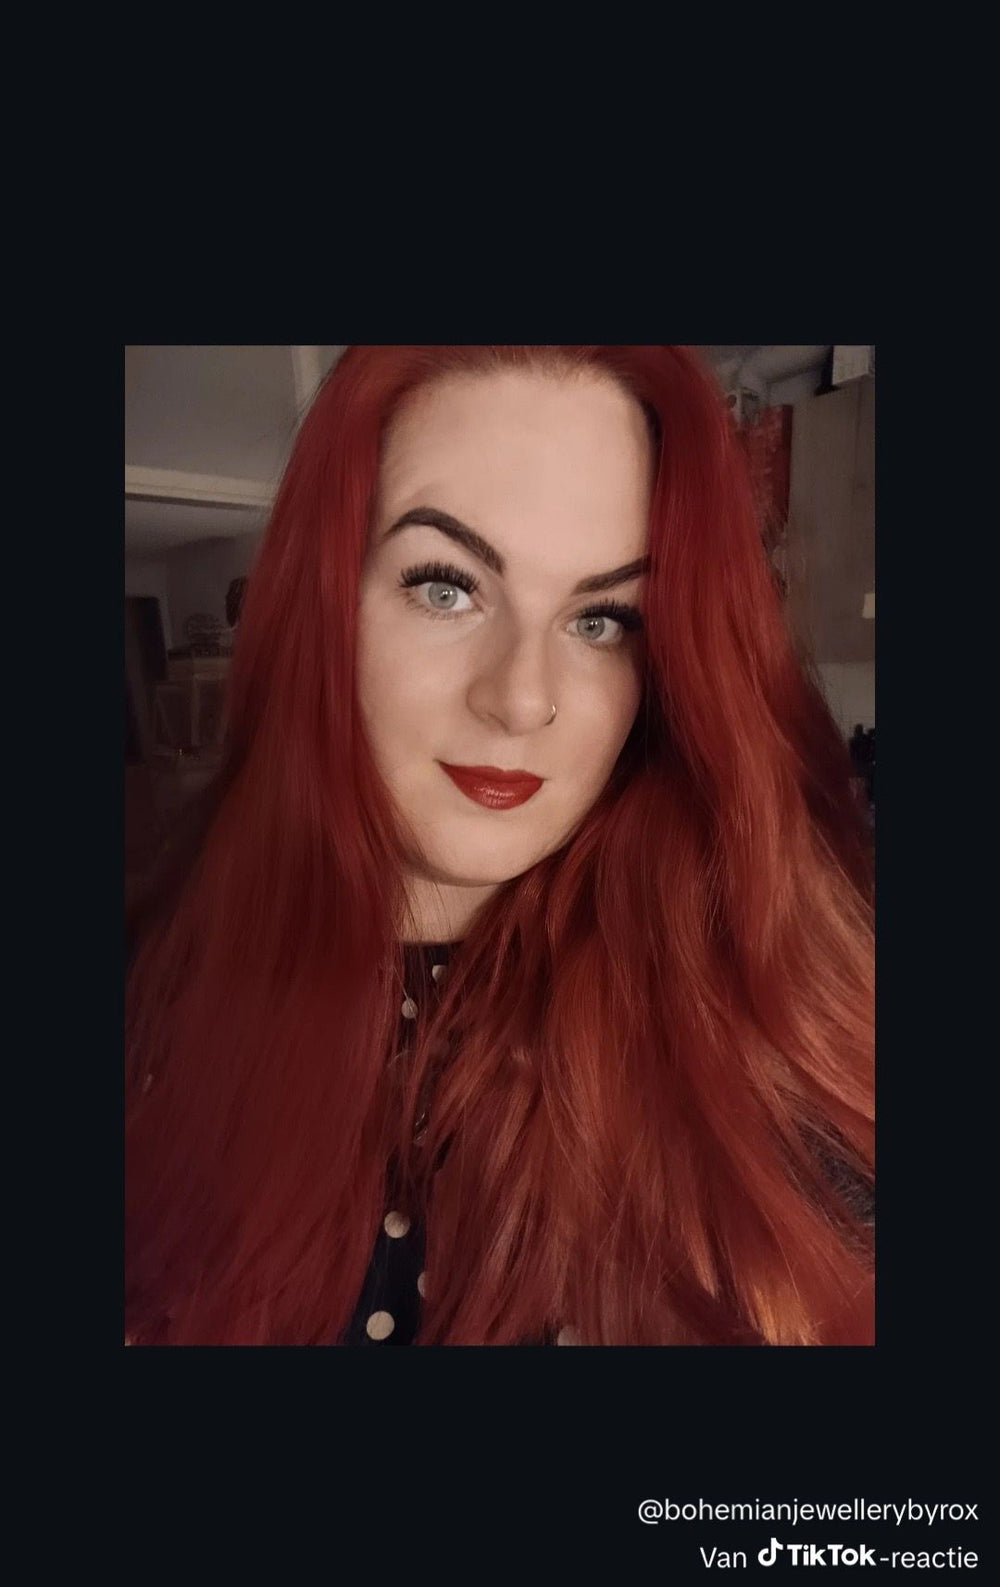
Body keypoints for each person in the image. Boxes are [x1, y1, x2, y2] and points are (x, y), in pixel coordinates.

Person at [125, 346, 874, 1346]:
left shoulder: (759, 1010)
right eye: (447, 587)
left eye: (601, 619)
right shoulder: (152, 992)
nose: (521, 699)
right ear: (324, 600)